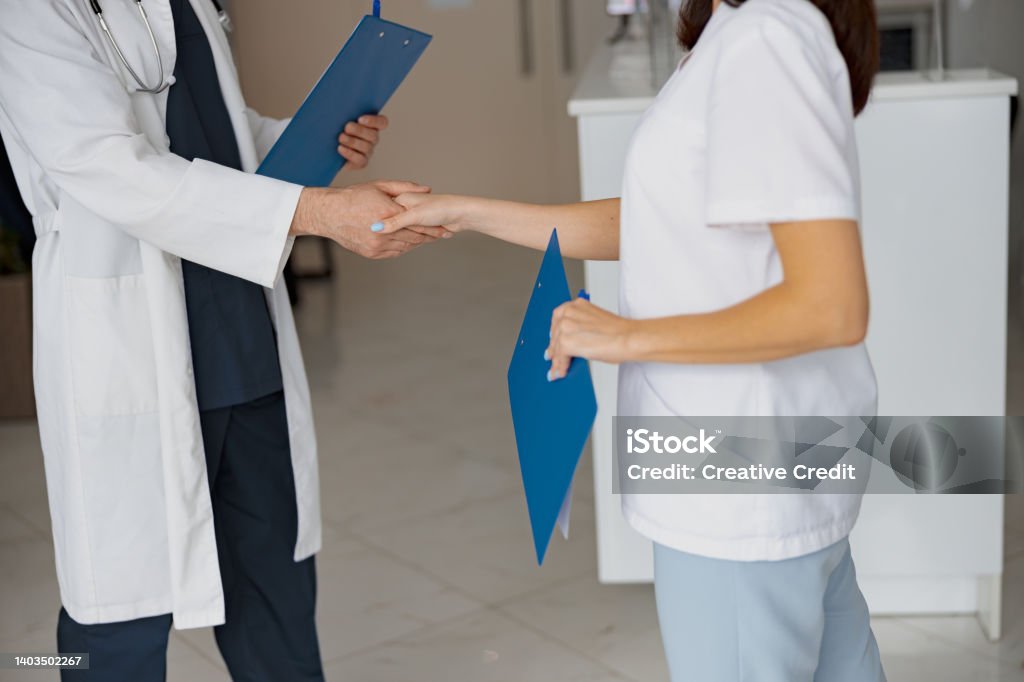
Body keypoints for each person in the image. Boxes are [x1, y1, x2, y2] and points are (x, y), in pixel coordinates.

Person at [380, 0, 887, 679]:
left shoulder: (761, 39)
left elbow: (831, 306)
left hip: (733, 484)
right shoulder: (746, 33)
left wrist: (626, 337)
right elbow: (662, 221)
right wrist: (469, 212)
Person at [0, 0, 444, 679]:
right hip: (129, 346)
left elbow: (220, 136)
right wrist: (317, 212)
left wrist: (313, 137)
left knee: (277, 601)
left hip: (242, 342)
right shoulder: (28, 12)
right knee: (118, 630)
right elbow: (105, 164)